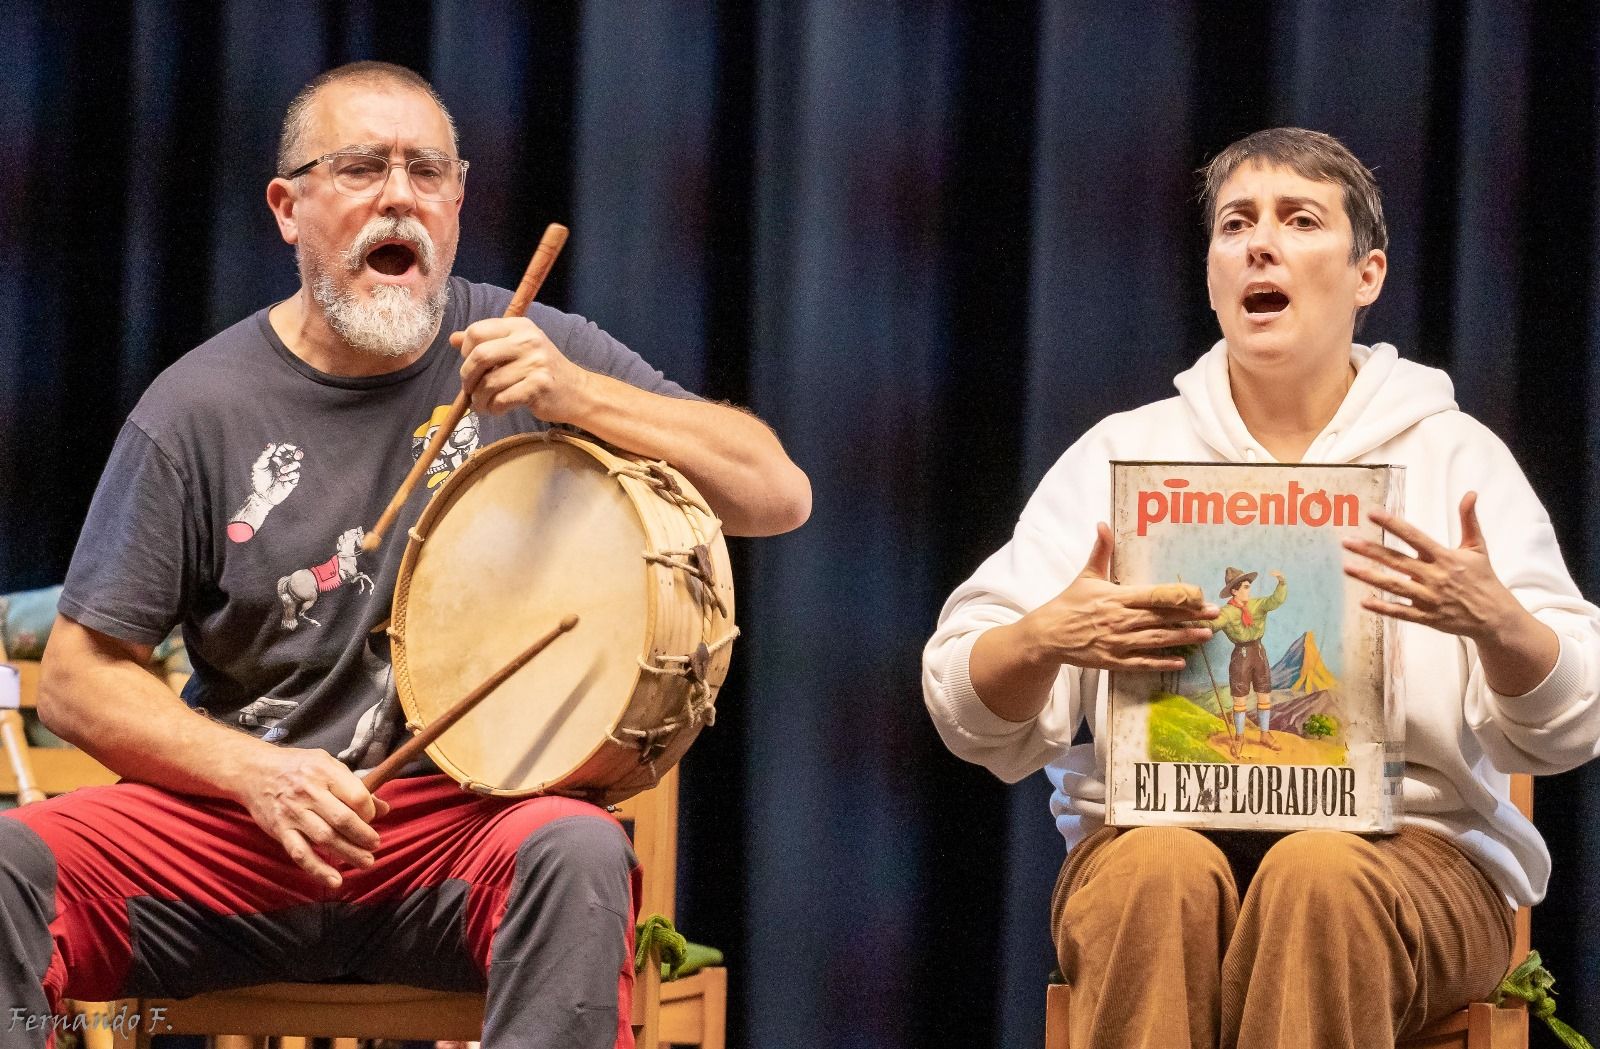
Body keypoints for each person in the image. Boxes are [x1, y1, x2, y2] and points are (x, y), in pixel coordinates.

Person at [0, 61, 810, 1049]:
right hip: (242, 840)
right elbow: (83, 682)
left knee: (576, 848)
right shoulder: (195, 407)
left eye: (427, 172)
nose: (400, 195)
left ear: (459, 202)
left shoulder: (530, 346)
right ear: (287, 207)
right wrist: (259, 773)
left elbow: (777, 492)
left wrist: (580, 399)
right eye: (361, 168)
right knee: (10, 863)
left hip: (454, 833)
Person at [922, 128, 1600, 1049]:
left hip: (1415, 862)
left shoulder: (1454, 457)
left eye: (1299, 219)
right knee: (1152, 874)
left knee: (1319, 877)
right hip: (1151, 846)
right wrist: (1045, 637)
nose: (1259, 244)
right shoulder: (1125, 454)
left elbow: (1573, 721)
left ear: (1368, 274)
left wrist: (1502, 625)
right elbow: (965, 700)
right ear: (1212, 272)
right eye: (1235, 223)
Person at [1208, 567, 1287, 758]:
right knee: (1240, 699)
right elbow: (1211, 625)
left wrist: (1282, 583)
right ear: (1234, 591)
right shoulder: (1226, 613)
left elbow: (1275, 601)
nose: (1248, 590)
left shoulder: (1257, 605)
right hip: (1241, 655)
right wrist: (1192, 618)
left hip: (1259, 652)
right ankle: (1239, 737)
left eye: (1249, 586)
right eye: (1245, 587)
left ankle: (1265, 735)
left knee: (1264, 694)